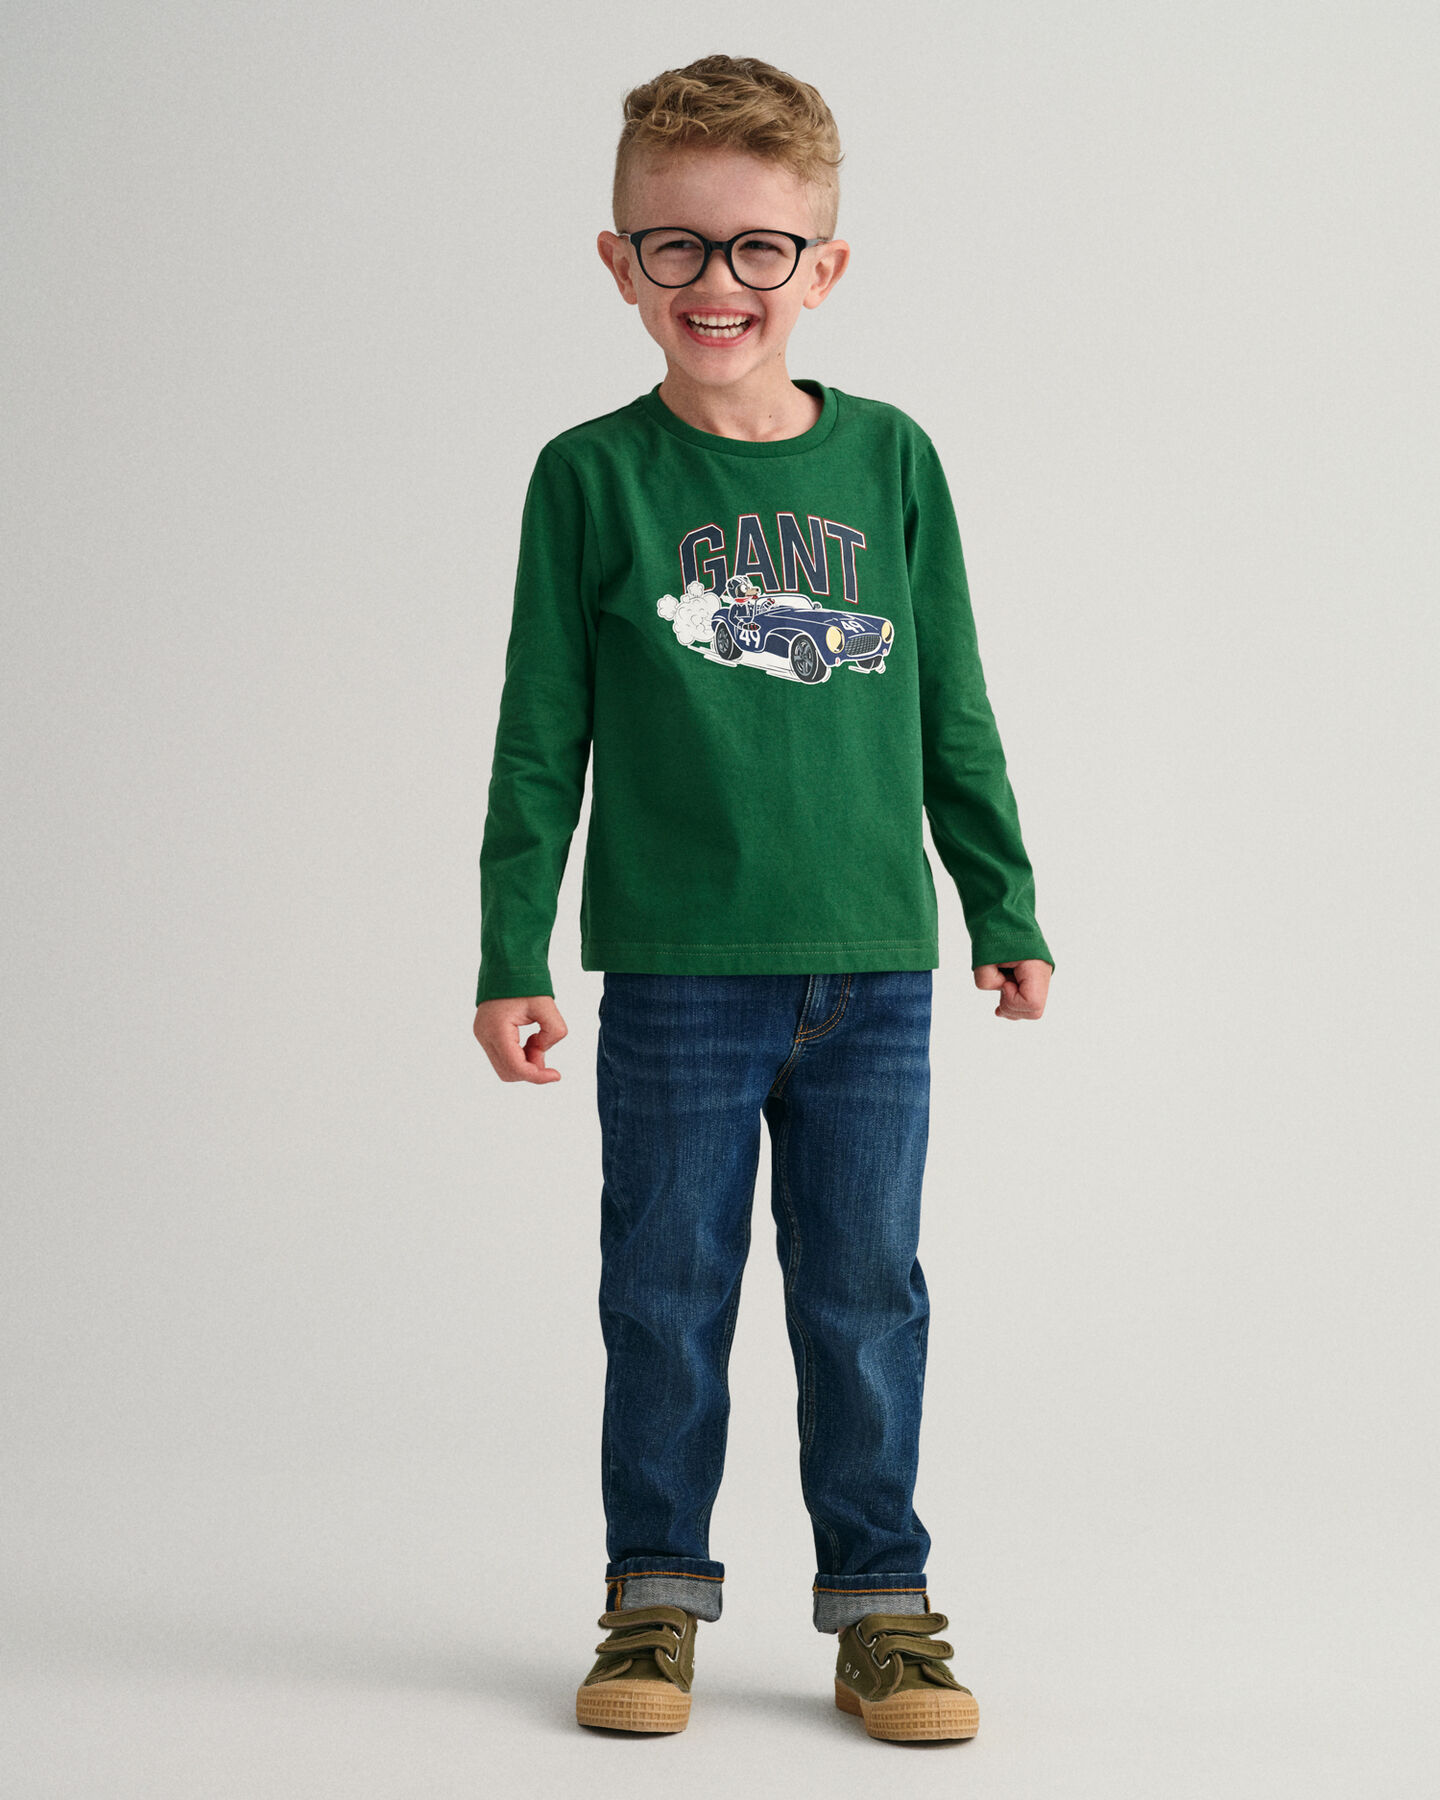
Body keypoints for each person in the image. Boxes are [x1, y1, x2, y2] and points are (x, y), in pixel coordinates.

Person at [471, 53, 1054, 1743]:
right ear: (618, 260)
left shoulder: (892, 461)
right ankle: (652, 1599)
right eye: (676, 244)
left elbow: (951, 701)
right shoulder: (591, 477)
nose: (715, 281)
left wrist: (1003, 901)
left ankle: (885, 1610)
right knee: (665, 1294)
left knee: (866, 1296)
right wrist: (511, 949)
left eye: (758, 248)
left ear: (824, 265)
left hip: (872, 967)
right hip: (676, 973)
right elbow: (539, 736)